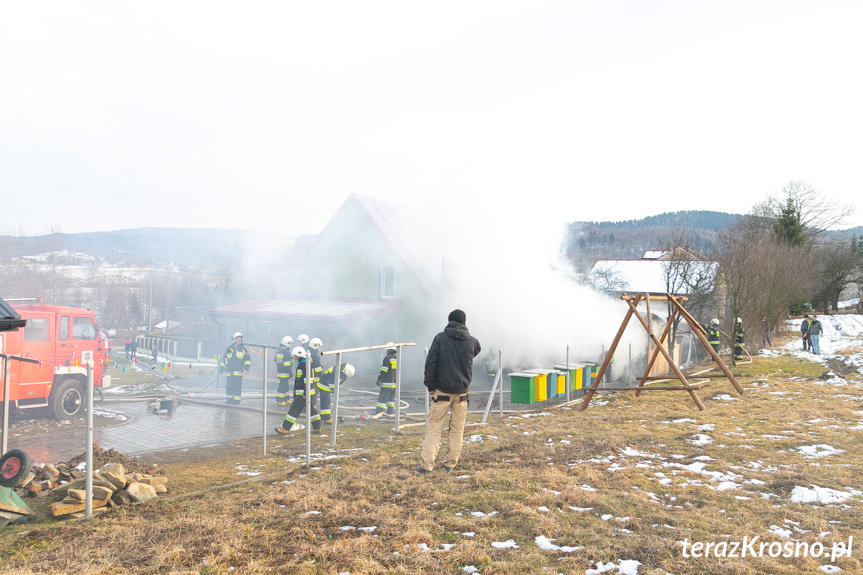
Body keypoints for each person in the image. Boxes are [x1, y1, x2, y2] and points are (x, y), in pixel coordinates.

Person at [417, 309, 481, 475]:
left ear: (449, 321)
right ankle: (450, 464)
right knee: (457, 429)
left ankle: (427, 466)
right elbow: (477, 350)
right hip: (462, 394)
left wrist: (430, 385)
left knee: (434, 428)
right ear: (464, 322)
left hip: (442, 392)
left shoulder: (440, 339)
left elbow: (430, 363)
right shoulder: (472, 341)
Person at [275, 347, 321, 433]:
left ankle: (285, 428)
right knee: (311, 410)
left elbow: (308, 381)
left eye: (296, 356)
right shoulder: (304, 364)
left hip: (304, 394)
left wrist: (305, 393)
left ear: (300, 355)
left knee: (294, 409)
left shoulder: (305, 365)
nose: (295, 358)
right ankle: (317, 427)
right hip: (305, 393)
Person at [221, 331, 251, 405]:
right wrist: (221, 369)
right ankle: (229, 400)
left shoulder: (243, 349)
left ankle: (236, 401)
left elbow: (247, 360)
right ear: (234, 339)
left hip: (238, 373)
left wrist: (246, 369)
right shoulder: (229, 348)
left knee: (237, 388)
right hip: (230, 372)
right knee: (229, 387)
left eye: (240, 338)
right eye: (238, 338)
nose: (239, 340)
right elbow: (225, 359)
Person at [374, 343, 398, 415]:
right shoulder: (397, 358)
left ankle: (379, 413)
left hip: (387, 383)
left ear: (388, 350)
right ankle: (390, 412)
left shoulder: (387, 358)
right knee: (391, 400)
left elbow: (384, 371)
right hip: (394, 383)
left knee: (382, 400)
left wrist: (379, 379)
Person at [274, 336, 294, 406]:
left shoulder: (279, 350)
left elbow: (275, 360)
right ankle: (280, 400)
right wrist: (292, 361)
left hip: (280, 371)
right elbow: (287, 364)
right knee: (283, 385)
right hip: (285, 372)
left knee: (285, 385)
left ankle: (286, 398)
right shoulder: (286, 351)